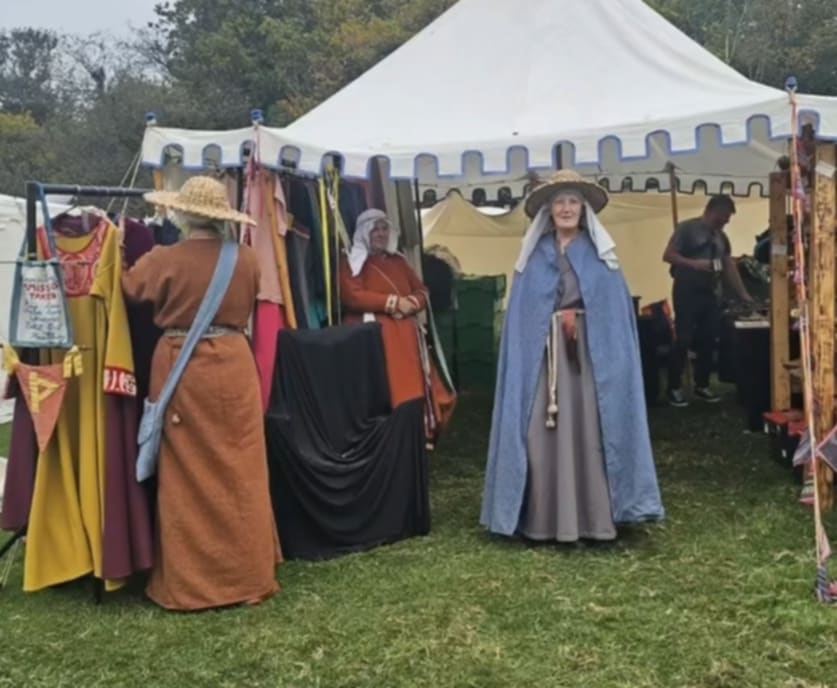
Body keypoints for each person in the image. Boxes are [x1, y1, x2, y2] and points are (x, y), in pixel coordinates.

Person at [123, 176, 282, 611]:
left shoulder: (163, 258)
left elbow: (130, 288)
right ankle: (249, 577)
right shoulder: (247, 258)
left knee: (186, 476)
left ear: (182, 213)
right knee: (243, 472)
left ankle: (193, 584)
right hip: (234, 365)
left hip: (184, 368)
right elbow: (252, 298)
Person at [481, 170, 664, 543]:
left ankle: (594, 519)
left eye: (573, 202)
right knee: (537, 432)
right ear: (549, 210)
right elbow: (522, 316)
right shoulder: (534, 256)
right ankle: (542, 519)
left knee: (590, 430)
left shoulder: (601, 257)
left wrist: (582, 325)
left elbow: (614, 315)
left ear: (583, 209)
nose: (566, 209)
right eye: (559, 202)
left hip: (588, 359)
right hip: (542, 360)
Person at [339, 209, 456, 447]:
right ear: (364, 232)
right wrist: (392, 303)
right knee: (387, 391)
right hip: (374, 340)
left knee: (414, 390)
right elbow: (352, 296)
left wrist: (411, 303)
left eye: (384, 229)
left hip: (408, 341)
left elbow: (421, 290)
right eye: (375, 229)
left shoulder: (399, 261)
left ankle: (416, 435)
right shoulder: (352, 262)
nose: (381, 234)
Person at [662, 195, 753, 407]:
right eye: (725, 216)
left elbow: (728, 265)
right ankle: (674, 387)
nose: (727, 221)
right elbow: (668, 255)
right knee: (684, 338)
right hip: (687, 290)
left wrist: (743, 294)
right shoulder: (687, 229)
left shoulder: (721, 237)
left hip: (711, 292)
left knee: (709, 339)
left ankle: (702, 384)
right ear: (713, 210)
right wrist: (694, 264)